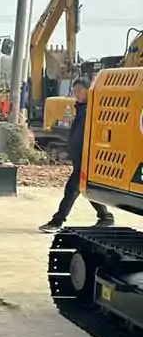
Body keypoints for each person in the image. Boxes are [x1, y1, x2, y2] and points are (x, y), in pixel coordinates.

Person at [39, 77, 114, 233]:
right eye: (75, 91)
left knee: (72, 189)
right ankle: (105, 217)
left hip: (87, 157)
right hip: (80, 157)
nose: (77, 94)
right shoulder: (81, 109)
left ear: (89, 91)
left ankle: (57, 221)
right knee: (86, 188)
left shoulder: (92, 110)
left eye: (80, 90)